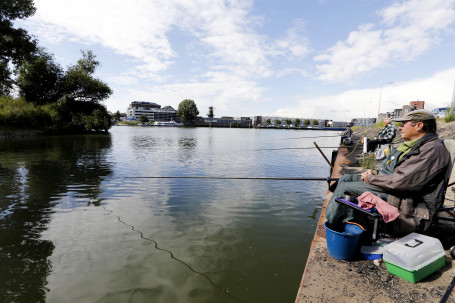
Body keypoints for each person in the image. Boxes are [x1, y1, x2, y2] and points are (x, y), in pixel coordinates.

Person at [325, 109, 450, 235]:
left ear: (419, 125)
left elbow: (401, 182)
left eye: (403, 124)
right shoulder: (417, 145)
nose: (400, 128)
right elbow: (399, 173)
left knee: (346, 188)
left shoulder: (432, 150)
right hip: (396, 189)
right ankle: (346, 217)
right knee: (345, 179)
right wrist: (376, 174)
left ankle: (334, 228)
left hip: (408, 201)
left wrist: (371, 179)